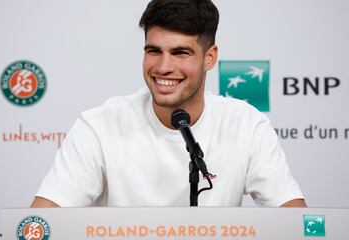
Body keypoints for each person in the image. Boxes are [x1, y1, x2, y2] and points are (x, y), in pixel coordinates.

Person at [31, 0, 306, 208]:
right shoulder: (98, 126)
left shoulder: (247, 125)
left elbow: (297, 222)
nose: (163, 66)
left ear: (210, 58)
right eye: (154, 51)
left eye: (180, 53)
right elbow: (41, 223)